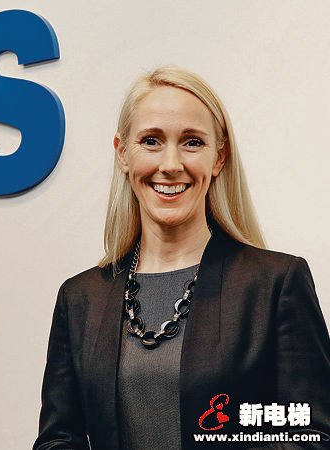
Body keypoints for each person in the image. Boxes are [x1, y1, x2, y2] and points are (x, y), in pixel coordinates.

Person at [33, 67, 330, 450]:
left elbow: (314, 437)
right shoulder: (80, 298)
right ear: (123, 153)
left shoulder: (276, 283)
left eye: (192, 142)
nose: (171, 164)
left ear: (219, 158)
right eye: (151, 141)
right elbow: (57, 440)